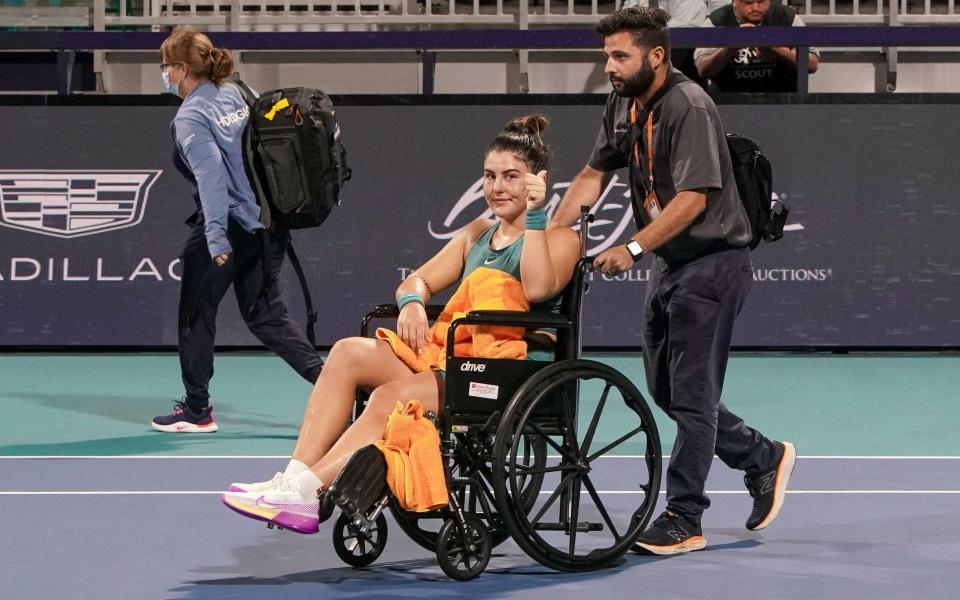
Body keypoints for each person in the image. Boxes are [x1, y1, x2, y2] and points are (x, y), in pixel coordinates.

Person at [220, 115, 581, 534]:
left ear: (538, 180)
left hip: (508, 372)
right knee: (347, 352)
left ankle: (306, 490)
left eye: (511, 177)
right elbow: (417, 280)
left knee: (391, 396)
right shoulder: (477, 233)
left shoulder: (560, 237)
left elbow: (536, 288)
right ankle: (293, 479)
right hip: (455, 362)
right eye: (489, 176)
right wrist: (412, 303)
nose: (498, 187)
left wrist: (535, 217)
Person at [552, 7, 795, 556]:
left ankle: (686, 516)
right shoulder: (623, 100)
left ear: (656, 55)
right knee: (667, 389)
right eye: (607, 56)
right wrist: (553, 231)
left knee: (694, 395)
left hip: (712, 264)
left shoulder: (690, 106)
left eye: (621, 56)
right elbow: (594, 171)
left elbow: (693, 198)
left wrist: (634, 246)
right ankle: (761, 457)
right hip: (672, 264)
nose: (610, 66)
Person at [151, 27, 324, 434]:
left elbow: (212, 181)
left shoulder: (191, 115)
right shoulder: (236, 90)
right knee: (266, 316)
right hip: (269, 223)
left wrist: (215, 239)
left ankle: (197, 411)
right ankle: (339, 386)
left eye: (164, 66)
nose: (163, 73)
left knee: (196, 315)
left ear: (179, 69)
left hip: (228, 226)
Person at [694, 0, 820, 93]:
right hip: (729, 102)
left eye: (761, 2)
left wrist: (778, 51)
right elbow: (703, 70)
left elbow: (812, 65)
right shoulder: (717, 21)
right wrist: (731, 46)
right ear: (735, 2)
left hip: (781, 101)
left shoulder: (786, 16)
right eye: (748, 3)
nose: (755, 7)